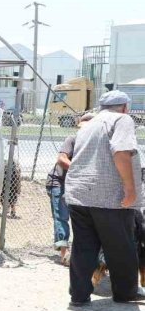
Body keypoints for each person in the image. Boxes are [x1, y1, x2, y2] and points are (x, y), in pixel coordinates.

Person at [64, 90, 145, 306]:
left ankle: (79, 296)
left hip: (79, 195)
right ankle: (126, 293)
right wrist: (130, 190)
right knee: (121, 247)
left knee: (83, 247)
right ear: (125, 107)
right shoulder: (122, 119)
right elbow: (121, 152)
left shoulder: (88, 124)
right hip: (109, 197)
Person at [46, 113, 94, 266]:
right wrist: (79, 169)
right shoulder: (72, 140)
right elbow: (61, 159)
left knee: (82, 218)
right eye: (81, 127)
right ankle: (64, 254)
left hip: (78, 185)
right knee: (61, 215)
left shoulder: (94, 145)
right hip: (59, 182)